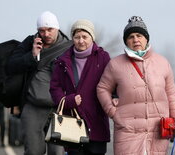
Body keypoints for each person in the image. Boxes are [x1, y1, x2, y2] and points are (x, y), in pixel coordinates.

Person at [97, 16, 175, 155]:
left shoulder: (163, 63)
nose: (135, 39)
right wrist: (113, 112)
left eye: (139, 35)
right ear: (126, 41)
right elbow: (102, 88)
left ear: (146, 38)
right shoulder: (115, 64)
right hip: (127, 132)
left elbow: (171, 95)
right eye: (131, 36)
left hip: (157, 132)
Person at [6, 11, 72, 155]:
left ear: (57, 28)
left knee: (58, 152)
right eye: (42, 30)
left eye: (50, 30)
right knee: (33, 151)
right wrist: (32, 56)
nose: (46, 34)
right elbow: (11, 65)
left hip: (59, 107)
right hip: (33, 105)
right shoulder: (29, 43)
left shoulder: (69, 47)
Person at [50, 19, 110, 155]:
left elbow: (112, 83)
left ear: (92, 37)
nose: (81, 41)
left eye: (85, 37)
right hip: (72, 125)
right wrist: (68, 101)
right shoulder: (62, 61)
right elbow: (55, 88)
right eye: (77, 37)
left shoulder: (103, 58)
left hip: (97, 123)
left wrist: (114, 98)